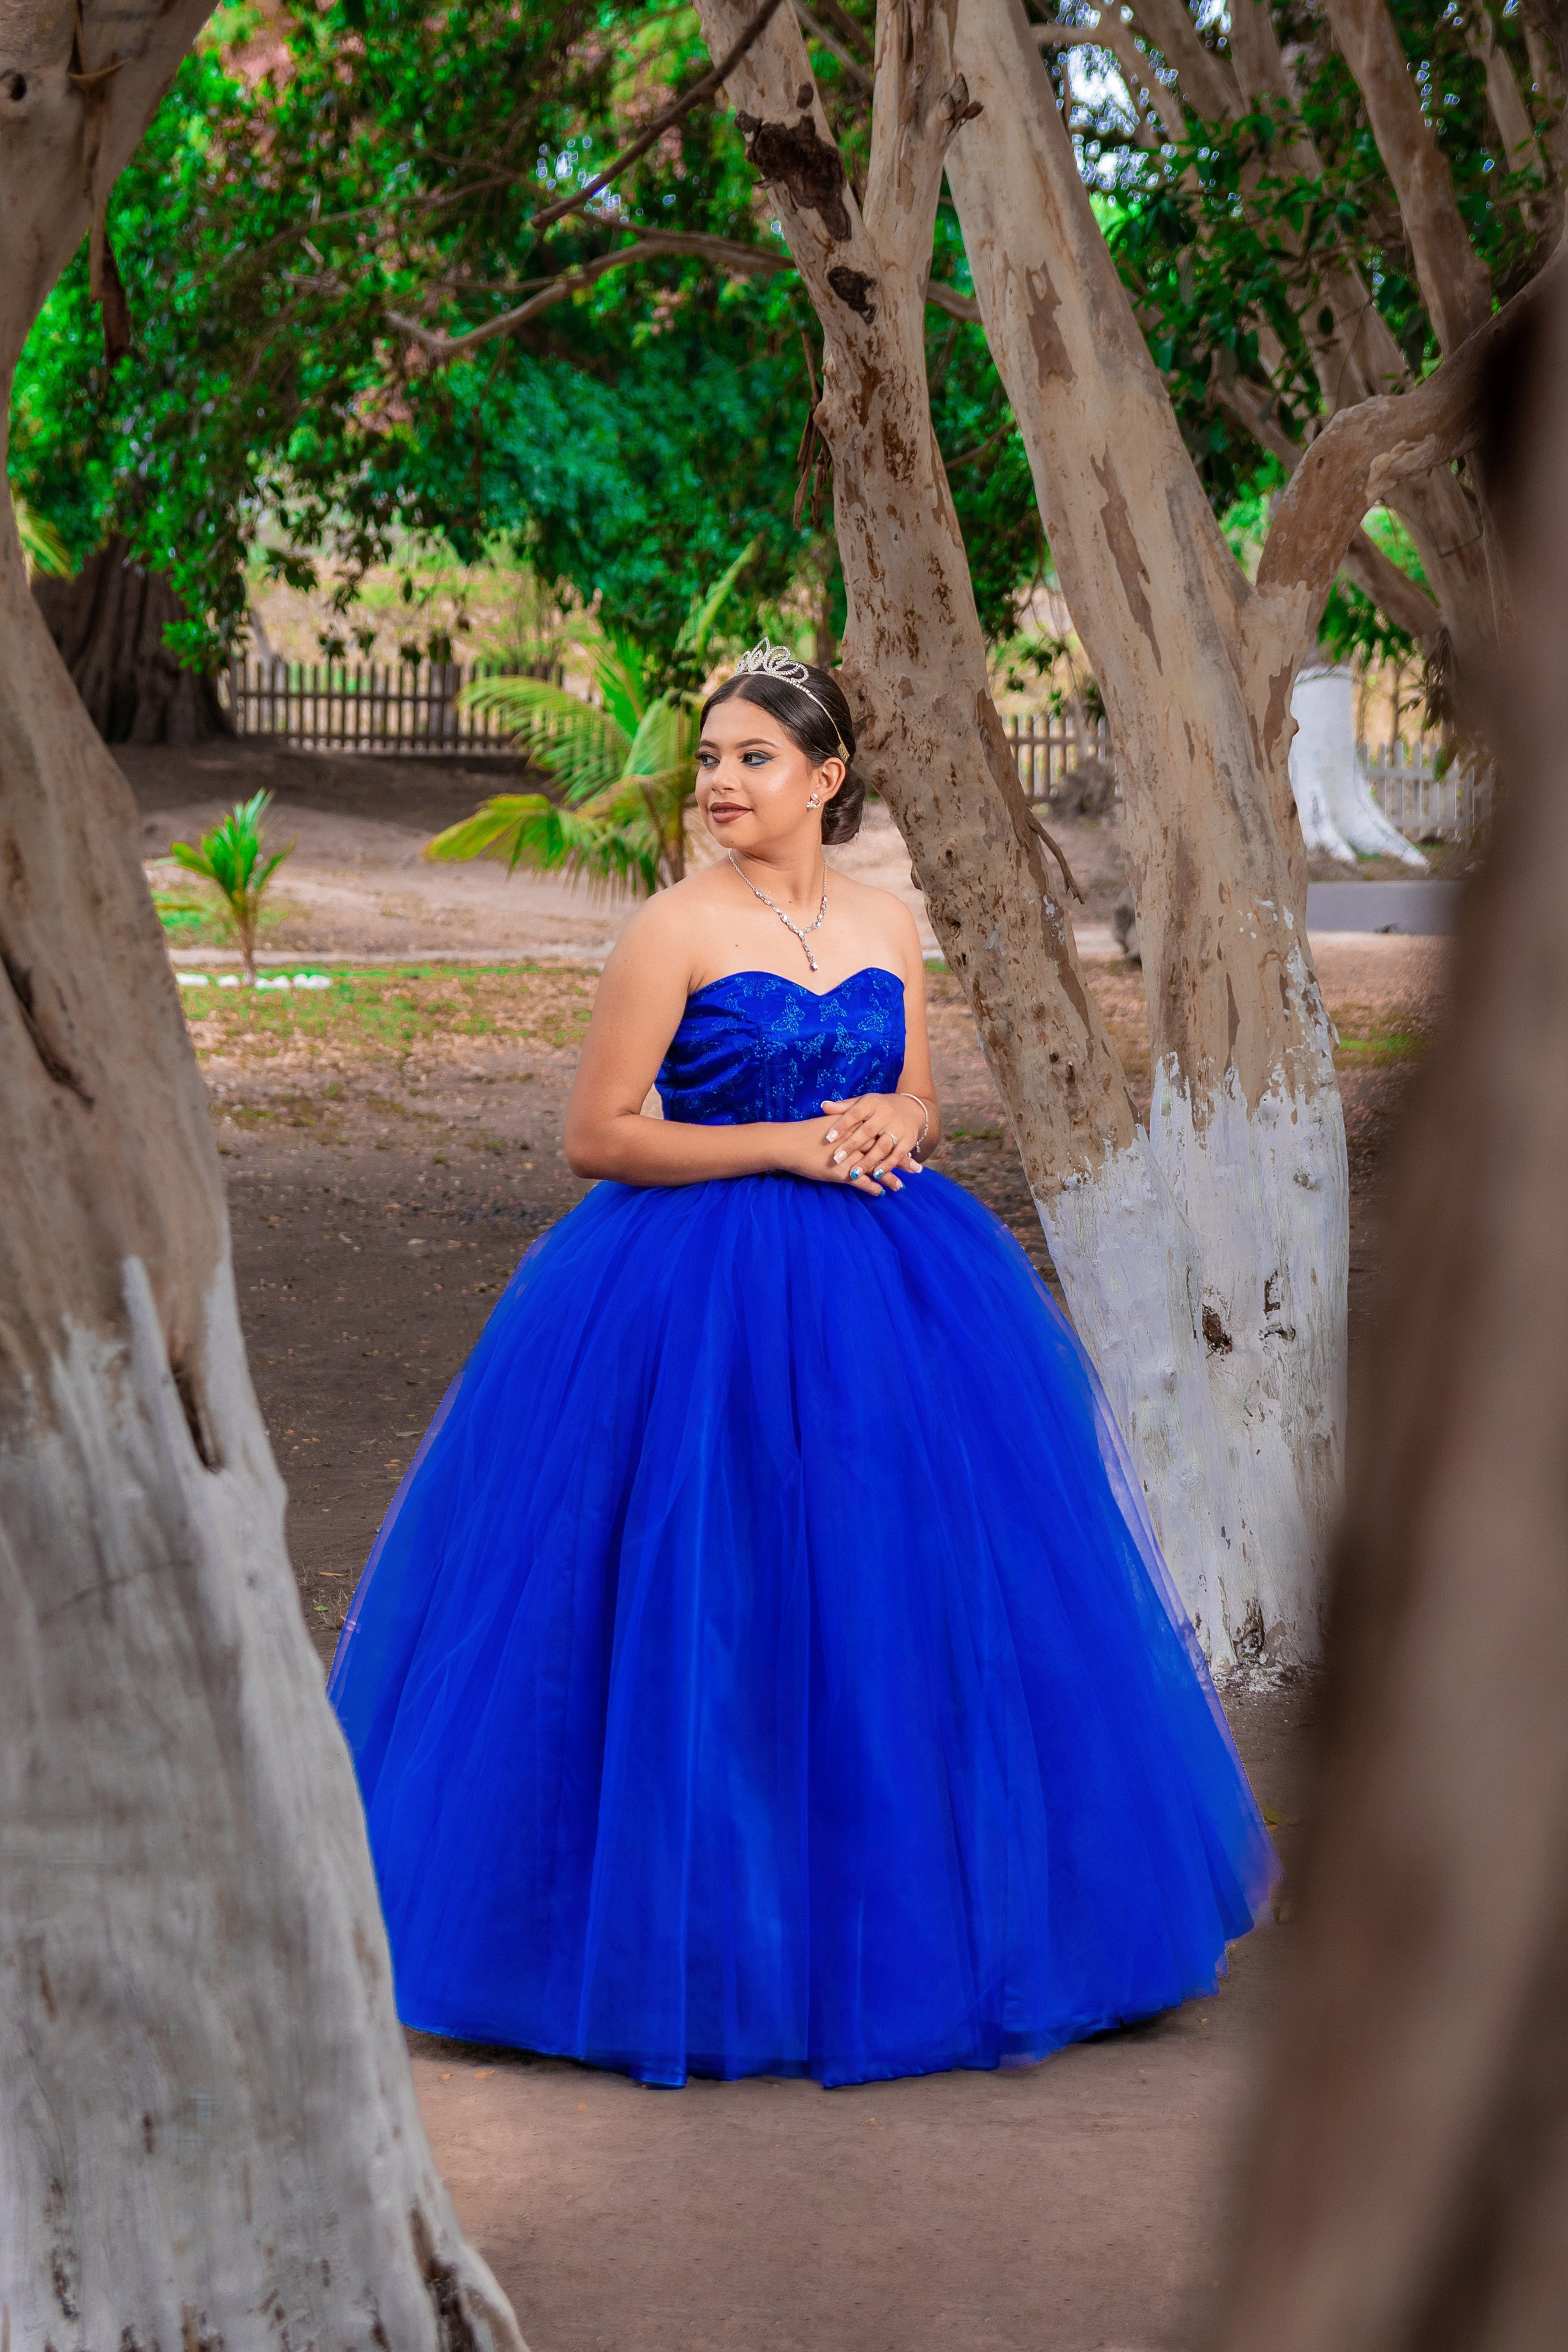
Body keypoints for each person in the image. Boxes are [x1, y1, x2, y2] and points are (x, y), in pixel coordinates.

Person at [328, 640, 1277, 2090]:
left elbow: (914, 1084)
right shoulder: (672, 930)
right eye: (710, 758)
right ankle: (694, 1940)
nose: (717, 780)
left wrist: (904, 1117)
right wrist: (778, 1145)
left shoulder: (888, 919)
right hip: (684, 1291)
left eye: (750, 758)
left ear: (825, 781)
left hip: (892, 1289)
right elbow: (598, 1135)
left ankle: (915, 1927)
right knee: (697, 1591)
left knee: (885, 1587)